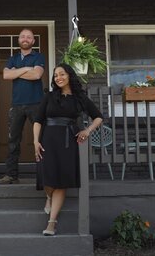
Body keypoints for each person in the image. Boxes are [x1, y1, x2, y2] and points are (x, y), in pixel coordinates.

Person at [33, 63, 103, 236]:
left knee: (61, 182)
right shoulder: (49, 96)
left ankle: (52, 223)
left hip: (68, 142)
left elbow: (98, 117)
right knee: (48, 177)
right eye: (55, 76)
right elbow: (38, 120)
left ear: (69, 75)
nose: (58, 78)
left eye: (61, 74)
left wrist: (87, 130)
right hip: (48, 139)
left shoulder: (80, 98)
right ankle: (48, 196)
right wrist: (35, 141)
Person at [0, 28, 46, 184]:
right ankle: (11, 175)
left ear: (33, 41)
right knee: (13, 141)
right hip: (16, 105)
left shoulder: (38, 56)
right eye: (22, 36)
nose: (25, 39)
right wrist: (25, 69)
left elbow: (37, 74)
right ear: (19, 40)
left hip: (36, 103)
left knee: (42, 139)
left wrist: (16, 72)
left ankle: (44, 174)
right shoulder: (13, 58)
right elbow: (6, 75)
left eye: (29, 37)